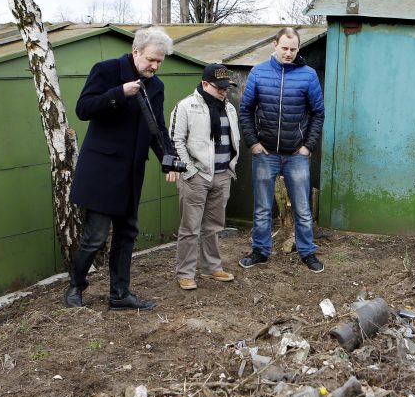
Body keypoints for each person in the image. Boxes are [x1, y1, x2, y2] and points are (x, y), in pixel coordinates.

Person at [62, 27, 176, 310]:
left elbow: (157, 128)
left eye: (160, 61)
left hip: (131, 172)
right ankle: (75, 287)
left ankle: (120, 293)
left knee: (127, 234)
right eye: (151, 59)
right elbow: (83, 108)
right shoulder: (107, 70)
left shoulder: (156, 86)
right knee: (96, 236)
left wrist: (169, 159)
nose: (155, 66)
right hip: (102, 170)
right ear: (136, 52)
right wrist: (119, 93)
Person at [238, 27, 325, 272]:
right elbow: (245, 110)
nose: (288, 53)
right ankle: (260, 251)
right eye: (284, 48)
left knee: (302, 208)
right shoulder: (258, 72)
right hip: (265, 153)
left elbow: (318, 113)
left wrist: (308, 146)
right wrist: (253, 143)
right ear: (275, 45)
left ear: (298, 49)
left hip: (296, 154)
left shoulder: (308, 75)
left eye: (293, 49)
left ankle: (307, 252)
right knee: (263, 207)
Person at [168, 64, 240, 290]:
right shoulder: (185, 107)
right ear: (205, 84)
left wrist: (230, 167)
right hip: (196, 178)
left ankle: (211, 268)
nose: (223, 91)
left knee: (214, 226)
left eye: (226, 88)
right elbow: (175, 141)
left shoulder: (229, 108)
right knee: (190, 228)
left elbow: (234, 140)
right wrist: (189, 171)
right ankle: (186, 273)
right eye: (219, 88)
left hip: (222, 175)